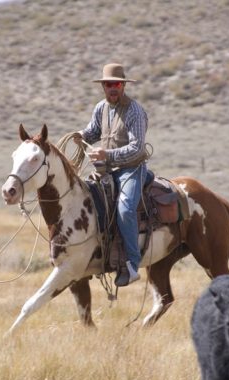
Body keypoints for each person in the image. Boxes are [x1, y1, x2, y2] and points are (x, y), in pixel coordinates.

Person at [74, 63, 149, 287]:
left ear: (123, 85)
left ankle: (132, 264)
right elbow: (94, 131)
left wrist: (106, 154)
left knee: (125, 209)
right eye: (108, 84)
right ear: (103, 87)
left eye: (116, 84)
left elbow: (137, 148)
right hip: (105, 171)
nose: (112, 88)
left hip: (132, 170)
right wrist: (80, 134)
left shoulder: (135, 111)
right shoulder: (101, 108)